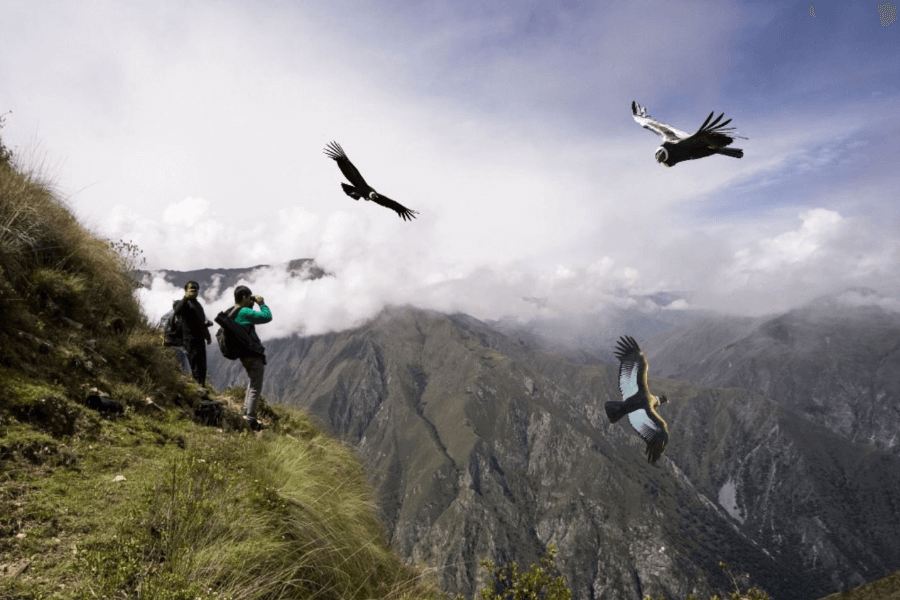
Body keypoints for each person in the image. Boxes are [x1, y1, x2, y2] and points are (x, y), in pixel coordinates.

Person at [231, 285, 272, 430]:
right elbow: (267, 317)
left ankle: (246, 412)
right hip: (252, 354)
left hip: (243, 354)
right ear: (244, 297)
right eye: (249, 297)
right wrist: (261, 303)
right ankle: (250, 419)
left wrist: (251, 303)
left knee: (252, 383)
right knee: (256, 386)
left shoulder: (233, 311)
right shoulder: (244, 311)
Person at [172, 281, 213, 386]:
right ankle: (198, 389)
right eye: (191, 288)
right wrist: (185, 297)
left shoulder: (197, 304)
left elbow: (201, 322)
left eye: (195, 288)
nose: (194, 290)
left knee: (202, 367)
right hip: (190, 340)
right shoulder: (183, 303)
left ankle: (202, 387)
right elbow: (177, 310)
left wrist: (207, 336)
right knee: (195, 366)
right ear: (186, 290)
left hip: (199, 339)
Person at [158, 309, 191, 374]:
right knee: (182, 366)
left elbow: (161, 329)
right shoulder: (181, 315)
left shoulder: (166, 315)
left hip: (166, 343)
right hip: (177, 345)